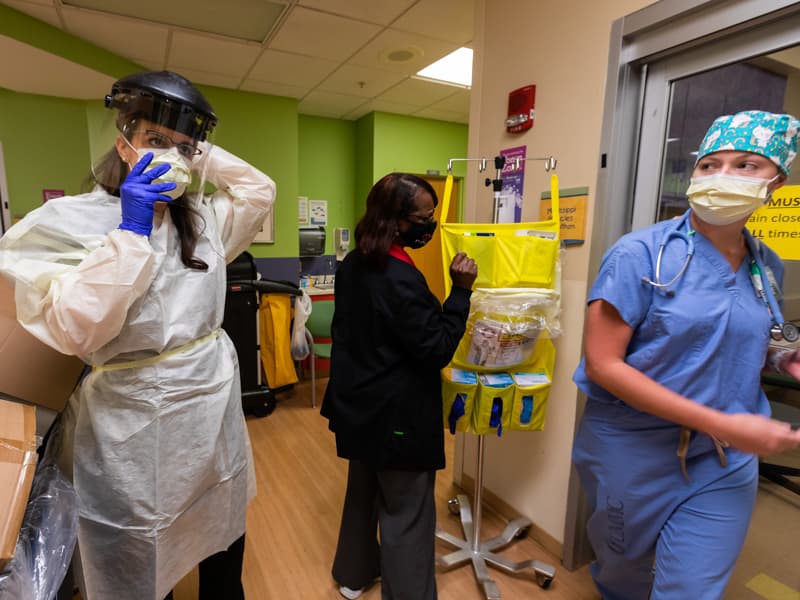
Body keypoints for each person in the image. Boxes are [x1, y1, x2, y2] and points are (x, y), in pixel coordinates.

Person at [0, 70, 275, 600]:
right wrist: (129, 232)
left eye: (183, 147)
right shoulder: (73, 220)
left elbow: (259, 190)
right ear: (123, 141)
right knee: (142, 551)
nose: (170, 156)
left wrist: (198, 153)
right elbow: (75, 325)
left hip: (208, 405)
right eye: (154, 141)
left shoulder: (203, 218)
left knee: (220, 530)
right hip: (132, 421)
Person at [572, 109, 800, 600]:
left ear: (775, 183)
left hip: (725, 460)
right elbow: (602, 364)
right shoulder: (640, 255)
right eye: (710, 163)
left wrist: (789, 357)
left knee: (691, 591)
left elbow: (766, 331)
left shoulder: (768, 264)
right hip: (630, 451)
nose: (723, 175)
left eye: (745, 166)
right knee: (622, 574)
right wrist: (720, 422)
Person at [320, 173, 477, 600]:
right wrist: (459, 294)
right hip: (397, 414)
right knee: (407, 512)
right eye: (424, 217)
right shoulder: (400, 279)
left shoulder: (355, 263)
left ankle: (353, 576)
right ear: (396, 220)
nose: (431, 225)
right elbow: (437, 348)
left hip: (358, 406)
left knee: (363, 491)